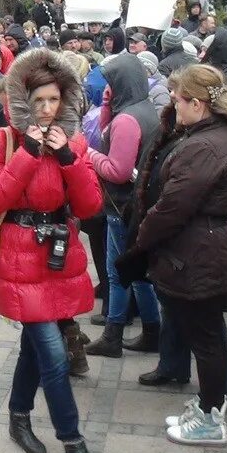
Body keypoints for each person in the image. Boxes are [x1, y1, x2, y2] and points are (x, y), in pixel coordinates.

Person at [0, 48, 101, 453]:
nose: (47, 109)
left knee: (35, 346)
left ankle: (18, 415)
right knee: (52, 352)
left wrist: (68, 159)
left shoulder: (76, 141)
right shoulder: (3, 140)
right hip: (18, 259)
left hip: (58, 258)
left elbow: (88, 207)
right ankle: (72, 440)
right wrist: (29, 153)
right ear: (21, 102)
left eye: (53, 100)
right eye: (38, 101)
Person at [120, 64, 227, 445]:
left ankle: (212, 418)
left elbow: (172, 208)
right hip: (202, 246)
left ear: (197, 103)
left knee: (206, 338)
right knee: (205, 334)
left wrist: (141, 240)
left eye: (178, 101)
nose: (174, 108)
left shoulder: (203, 145)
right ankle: (209, 404)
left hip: (198, 251)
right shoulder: (210, 134)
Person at [85, 53, 160, 357]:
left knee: (118, 273)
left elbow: (116, 168)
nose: (106, 88)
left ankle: (113, 334)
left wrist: (89, 156)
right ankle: (153, 331)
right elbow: (107, 131)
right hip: (135, 203)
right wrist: (106, 106)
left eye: (110, 83)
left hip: (121, 205)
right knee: (136, 272)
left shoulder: (127, 120)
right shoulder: (142, 109)